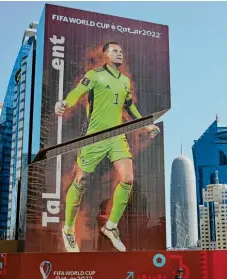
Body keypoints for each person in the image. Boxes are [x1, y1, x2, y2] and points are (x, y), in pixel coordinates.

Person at [54, 41, 160, 252]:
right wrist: (64, 103)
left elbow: (130, 108)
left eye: (121, 51)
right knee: (81, 180)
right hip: (94, 136)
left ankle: (111, 227)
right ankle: (68, 229)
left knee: (128, 178)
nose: (119, 53)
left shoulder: (125, 82)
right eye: (114, 51)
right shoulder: (94, 75)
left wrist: (147, 126)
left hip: (117, 136)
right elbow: (77, 92)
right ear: (105, 55)